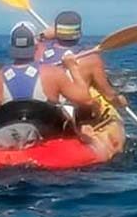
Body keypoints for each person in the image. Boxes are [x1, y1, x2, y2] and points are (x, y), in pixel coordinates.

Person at [0, 22, 104, 150]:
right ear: (35, 48)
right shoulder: (53, 73)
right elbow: (86, 100)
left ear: (11, 49)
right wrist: (72, 68)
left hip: (5, 134)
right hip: (46, 135)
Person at [35, 10, 128, 153]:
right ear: (79, 33)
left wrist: (42, 35)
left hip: (44, 112)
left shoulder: (38, 51)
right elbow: (108, 95)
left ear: (56, 32)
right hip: (76, 116)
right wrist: (119, 101)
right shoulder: (91, 59)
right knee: (94, 105)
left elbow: (34, 42)